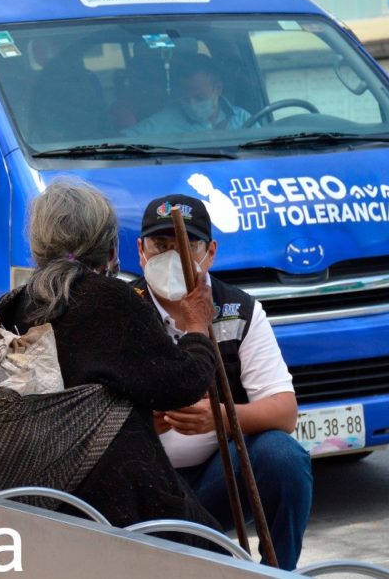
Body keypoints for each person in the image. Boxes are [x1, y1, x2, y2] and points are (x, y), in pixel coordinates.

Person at [0, 179, 226, 542]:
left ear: (37, 246)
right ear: (111, 248)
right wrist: (196, 326)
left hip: (20, 504)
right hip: (99, 507)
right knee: (218, 555)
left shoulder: (19, 301)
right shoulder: (108, 299)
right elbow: (183, 383)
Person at [130, 193, 313, 570]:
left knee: (283, 457)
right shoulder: (123, 309)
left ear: (210, 253)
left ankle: (279, 572)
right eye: (159, 246)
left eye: (185, 245)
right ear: (141, 251)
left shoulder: (239, 309)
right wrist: (141, 423)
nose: (171, 256)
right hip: (144, 483)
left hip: (219, 478)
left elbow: (284, 411)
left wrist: (221, 420)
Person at [126, 54, 251, 135]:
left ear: (218, 88)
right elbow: (121, 142)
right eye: (186, 98)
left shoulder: (242, 118)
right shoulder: (165, 121)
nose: (192, 104)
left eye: (199, 98)